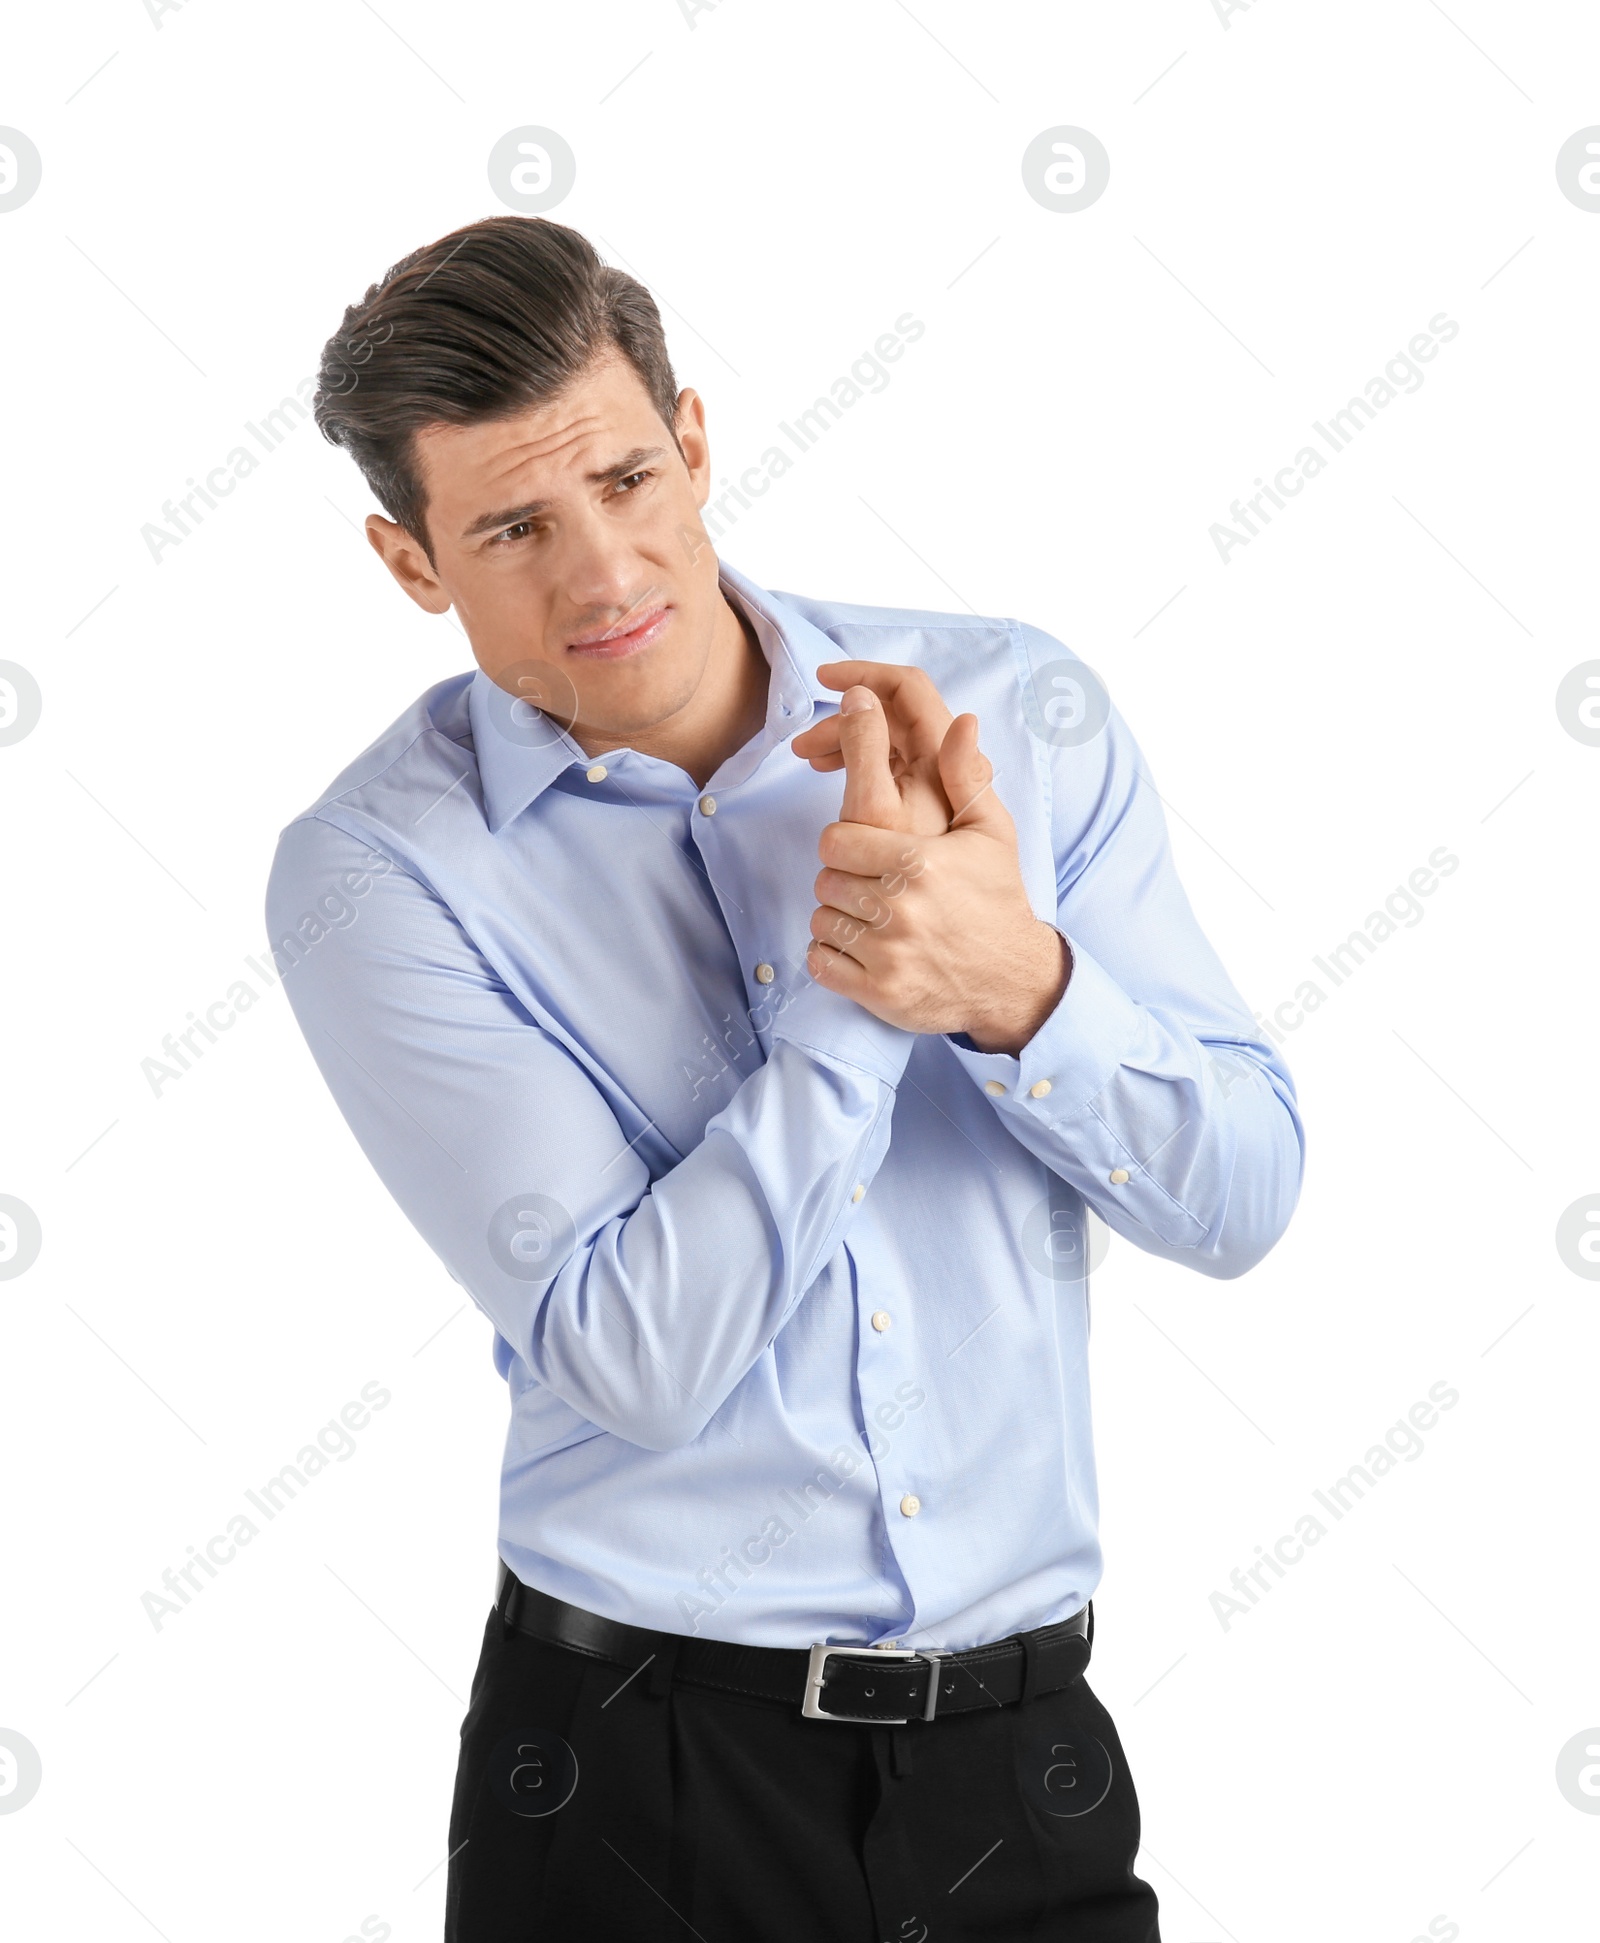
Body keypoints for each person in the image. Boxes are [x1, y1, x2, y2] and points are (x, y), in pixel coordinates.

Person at [266, 213, 1305, 1942]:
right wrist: (873, 983)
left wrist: (1025, 990)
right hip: (635, 1778)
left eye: (620, 478)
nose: (600, 574)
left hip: (1026, 1759)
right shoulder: (378, 875)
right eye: (514, 526)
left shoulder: (1015, 712)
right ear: (411, 563)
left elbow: (1247, 1195)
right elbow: (640, 1359)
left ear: (690, 440)